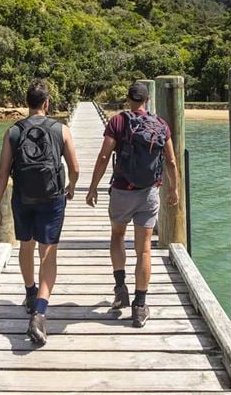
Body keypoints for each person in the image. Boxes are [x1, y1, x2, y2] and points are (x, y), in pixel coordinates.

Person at [0, 80, 79, 344]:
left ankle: (30, 293)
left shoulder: (13, 132)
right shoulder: (60, 129)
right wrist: (71, 187)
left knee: (25, 247)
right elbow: (75, 168)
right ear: (47, 103)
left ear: (26, 103)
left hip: (22, 199)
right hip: (52, 198)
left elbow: (3, 173)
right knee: (48, 252)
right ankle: (39, 312)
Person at [86, 81, 179, 328]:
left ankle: (120, 288)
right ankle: (139, 306)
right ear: (147, 100)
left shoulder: (118, 121)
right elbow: (170, 160)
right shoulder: (160, 124)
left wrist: (93, 186)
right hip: (149, 192)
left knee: (117, 235)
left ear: (128, 100)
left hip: (121, 190)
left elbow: (105, 155)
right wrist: (174, 188)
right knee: (144, 248)